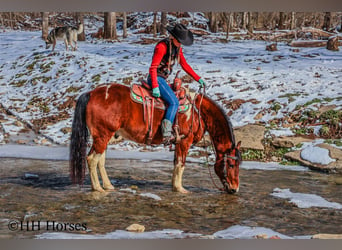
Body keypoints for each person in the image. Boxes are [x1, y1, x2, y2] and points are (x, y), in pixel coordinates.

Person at [147, 23, 206, 142]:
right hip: (156, 78)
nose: (181, 44)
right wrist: (155, 86)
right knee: (174, 102)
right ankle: (166, 133)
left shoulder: (177, 48)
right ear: (173, 37)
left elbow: (184, 65)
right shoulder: (162, 47)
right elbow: (153, 68)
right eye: (180, 41)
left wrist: (197, 78)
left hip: (163, 79)